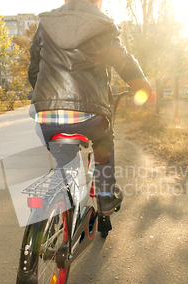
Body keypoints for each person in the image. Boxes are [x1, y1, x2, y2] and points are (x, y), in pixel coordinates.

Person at [28, 0, 153, 215]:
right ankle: (105, 195)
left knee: (64, 159)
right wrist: (144, 88)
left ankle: (62, 195)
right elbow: (122, 62)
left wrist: (46, 100)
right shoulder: (101, 24)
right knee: (104, 139)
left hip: (46, 117)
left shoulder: (46, 23)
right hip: (89, 116)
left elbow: (34, 68)